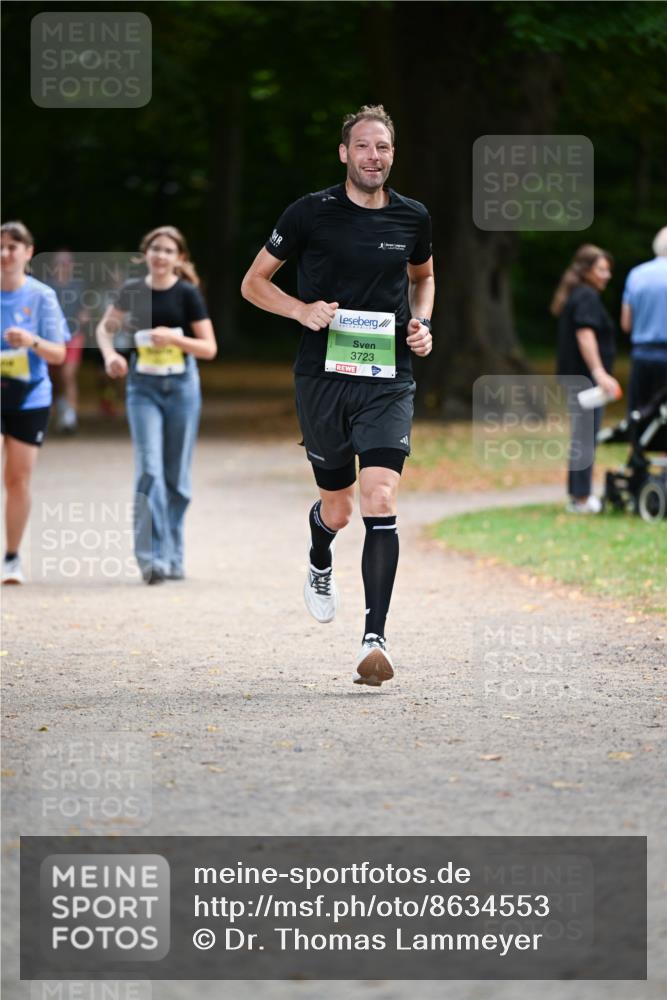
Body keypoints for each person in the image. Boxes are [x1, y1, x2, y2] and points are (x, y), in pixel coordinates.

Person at [241, 104, 434, 686]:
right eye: (364, 147)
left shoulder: (413, 217)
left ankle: (375, 637)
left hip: (388, 378)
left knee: (379, 498)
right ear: (344, 153)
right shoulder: (310, 213)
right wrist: (302, 310)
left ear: (392, 155)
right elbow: (253, 283)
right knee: (340, 508)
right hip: (323, 379)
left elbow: (422, 279)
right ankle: (320, 551)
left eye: (384, 148)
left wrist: (423, 324)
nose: (374, 157)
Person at [96, 226, 217, 584]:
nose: (160, 255)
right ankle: (151, 559)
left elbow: (209, 348)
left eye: (168, 250)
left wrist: (175, 341)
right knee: (149, 470)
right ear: (146, 254)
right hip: (142, 387)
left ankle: (173, 555)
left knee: (175, 475)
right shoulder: (132, 291)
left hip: (182, 387)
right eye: (155, 249)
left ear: (179, 258)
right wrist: (109, 356)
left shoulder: (187, 294)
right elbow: (104, 329)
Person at [1, 221, 69, 584]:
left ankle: (11, 557)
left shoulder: (41, 296)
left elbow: (58, 353)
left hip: (30, 396)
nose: (5, 253)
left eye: (13, 246)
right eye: (0, 246)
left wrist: (31, 341)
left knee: (16, 480)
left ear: (28, 252)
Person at [551, 244, 621, 514]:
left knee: (584, 436)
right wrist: (599, 372)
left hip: (577, 378)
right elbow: (585, 335)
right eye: (602, 269)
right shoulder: (586, 297)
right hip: (584, 379)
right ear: (586, 270)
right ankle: (581, 498)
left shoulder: (578, 295)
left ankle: (578, 496)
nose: (607, 275)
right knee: (585, 437)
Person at [620, 226, 667, 411]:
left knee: (640, 412)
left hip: (642, 355)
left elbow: (626, 324)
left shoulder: (636, 274)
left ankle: (639, 441)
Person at [45, 249, 89, 434]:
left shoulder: (79, 286)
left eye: (67, 262)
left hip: (74, 335)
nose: (64, 266)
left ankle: (70, 417)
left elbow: (85, 309)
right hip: (52, 337)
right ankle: (59, 409)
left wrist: (83, 317)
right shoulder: (47, 286)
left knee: (67, 375)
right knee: (53, 378)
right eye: (60, 262)